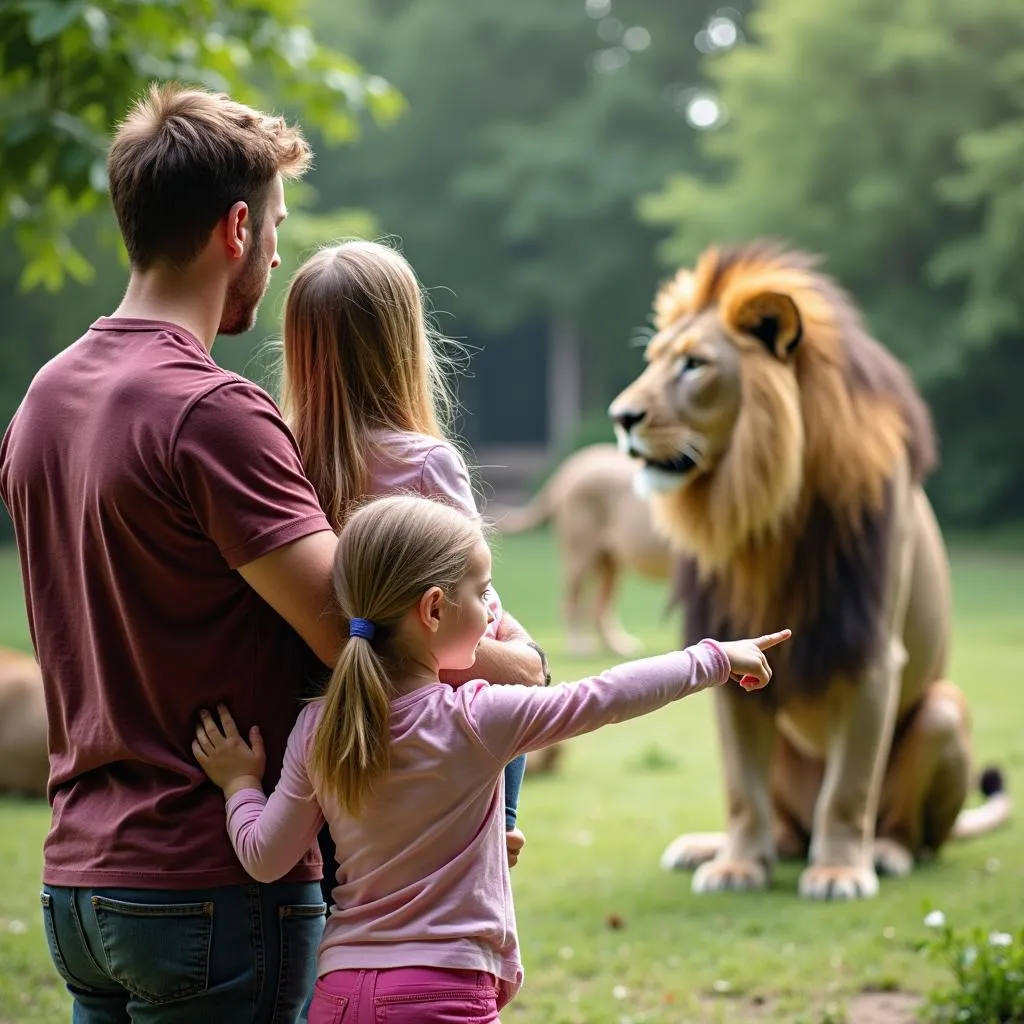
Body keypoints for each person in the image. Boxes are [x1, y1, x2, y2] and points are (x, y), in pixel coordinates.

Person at [0, 84, 342, 1022]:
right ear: (237, 228)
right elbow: (348, 633)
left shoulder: (43, 399)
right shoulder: (213, 411)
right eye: (275, 226)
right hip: (214, 884)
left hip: (79, 889)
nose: (277, 252)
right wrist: (513, 664)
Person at [193, 494, 791, 1021]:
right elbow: (606, 695)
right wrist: (717, 657)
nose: (491, 613)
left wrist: (240, 784)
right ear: (432, 610)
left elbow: (265, 857)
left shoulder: (319, 725)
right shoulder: (475, 717)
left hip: (340, 996)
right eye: (482, 595)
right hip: (440, 996)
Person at [277, 240, 548, 885]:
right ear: (404, 344)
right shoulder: (426, 462)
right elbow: (469, 604)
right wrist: (524, 654)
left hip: (334, 716)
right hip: (436, 714)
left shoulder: (279, 454)